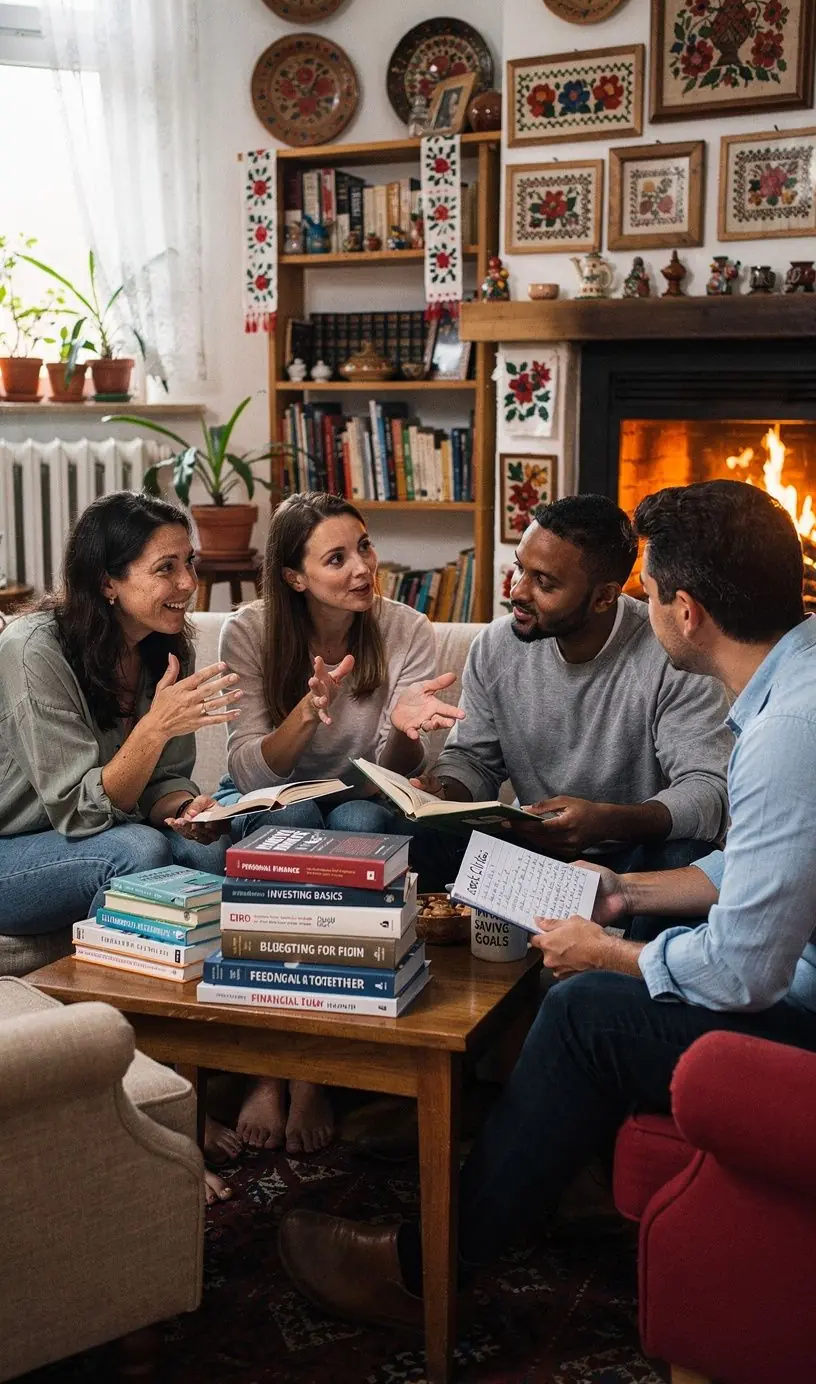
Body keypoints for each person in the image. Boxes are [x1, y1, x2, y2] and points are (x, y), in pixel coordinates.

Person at [277, 479, 816, 1324]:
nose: (643, 604)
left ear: (686, 611)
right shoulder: (797, 686)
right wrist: (620, 894)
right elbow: (757, 873)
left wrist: (608, 951)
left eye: (649, 590)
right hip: (595, 874)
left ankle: (425, 1270)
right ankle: (438, 1098)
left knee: (584, 1012)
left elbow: (741, 972)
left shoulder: (787, 733)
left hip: (796, 1005)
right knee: (397, 838)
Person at [0, 491, 243, 1204]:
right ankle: (149, 1124)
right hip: (14, 854)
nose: (187, 583)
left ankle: (209, 1080)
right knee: (134, 855)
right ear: (107, 580)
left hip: (91, 836)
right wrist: (155, 725)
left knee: (213, 855)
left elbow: (164, 782)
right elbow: (83, 811)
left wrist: (188, 810)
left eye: (189, 563)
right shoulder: (32, 650)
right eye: (166, 568)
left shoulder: (164, 646)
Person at [213, 491, 464, 1157]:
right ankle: (273, 1068)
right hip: (273, 796)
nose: (362, 567)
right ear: (294, 577)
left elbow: (395, 775)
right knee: (294, 815)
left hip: (364, 796)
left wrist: (405, 733)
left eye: (365, 546)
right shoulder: (249, 631)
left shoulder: (407, 628)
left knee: (355, 817)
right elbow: (248, 769)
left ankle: (308, 1070)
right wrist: (307, 713)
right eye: (336, 558)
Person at [411, 494, 732, 905]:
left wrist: (609, 822)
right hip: (531, 850)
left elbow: (708, 790)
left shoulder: (672, 654)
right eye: (520, 568)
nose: (517, 591)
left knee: (688, 855)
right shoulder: (495, 646)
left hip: (635, 857)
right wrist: (441, 791)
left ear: (604, 597)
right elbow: (474, 761)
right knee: (416, 838)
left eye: (544, 583)